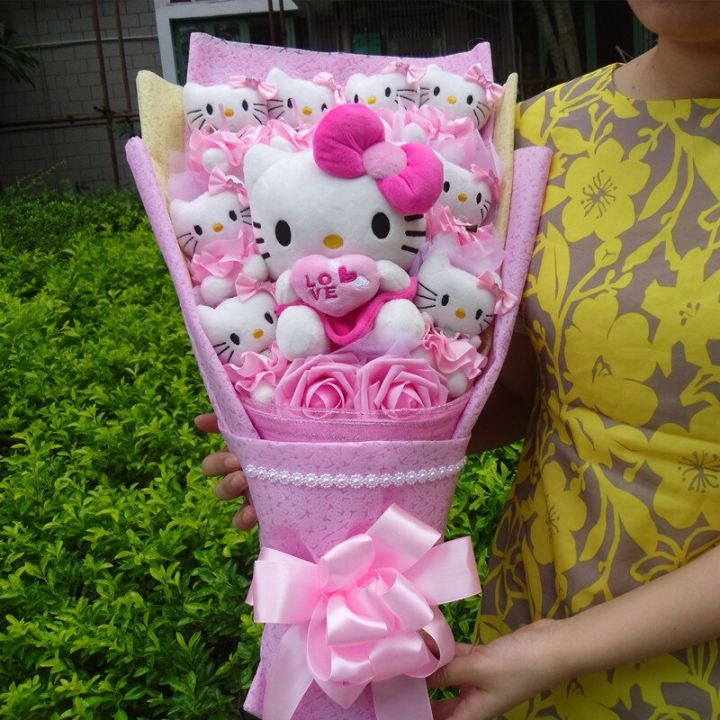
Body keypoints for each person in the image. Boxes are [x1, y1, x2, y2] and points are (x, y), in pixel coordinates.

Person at [197, 1, 720, 716]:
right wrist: (325, 456)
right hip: (538, 616)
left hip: (605, 660)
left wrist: (561, 650)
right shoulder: (540, 133)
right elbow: (533, 393)